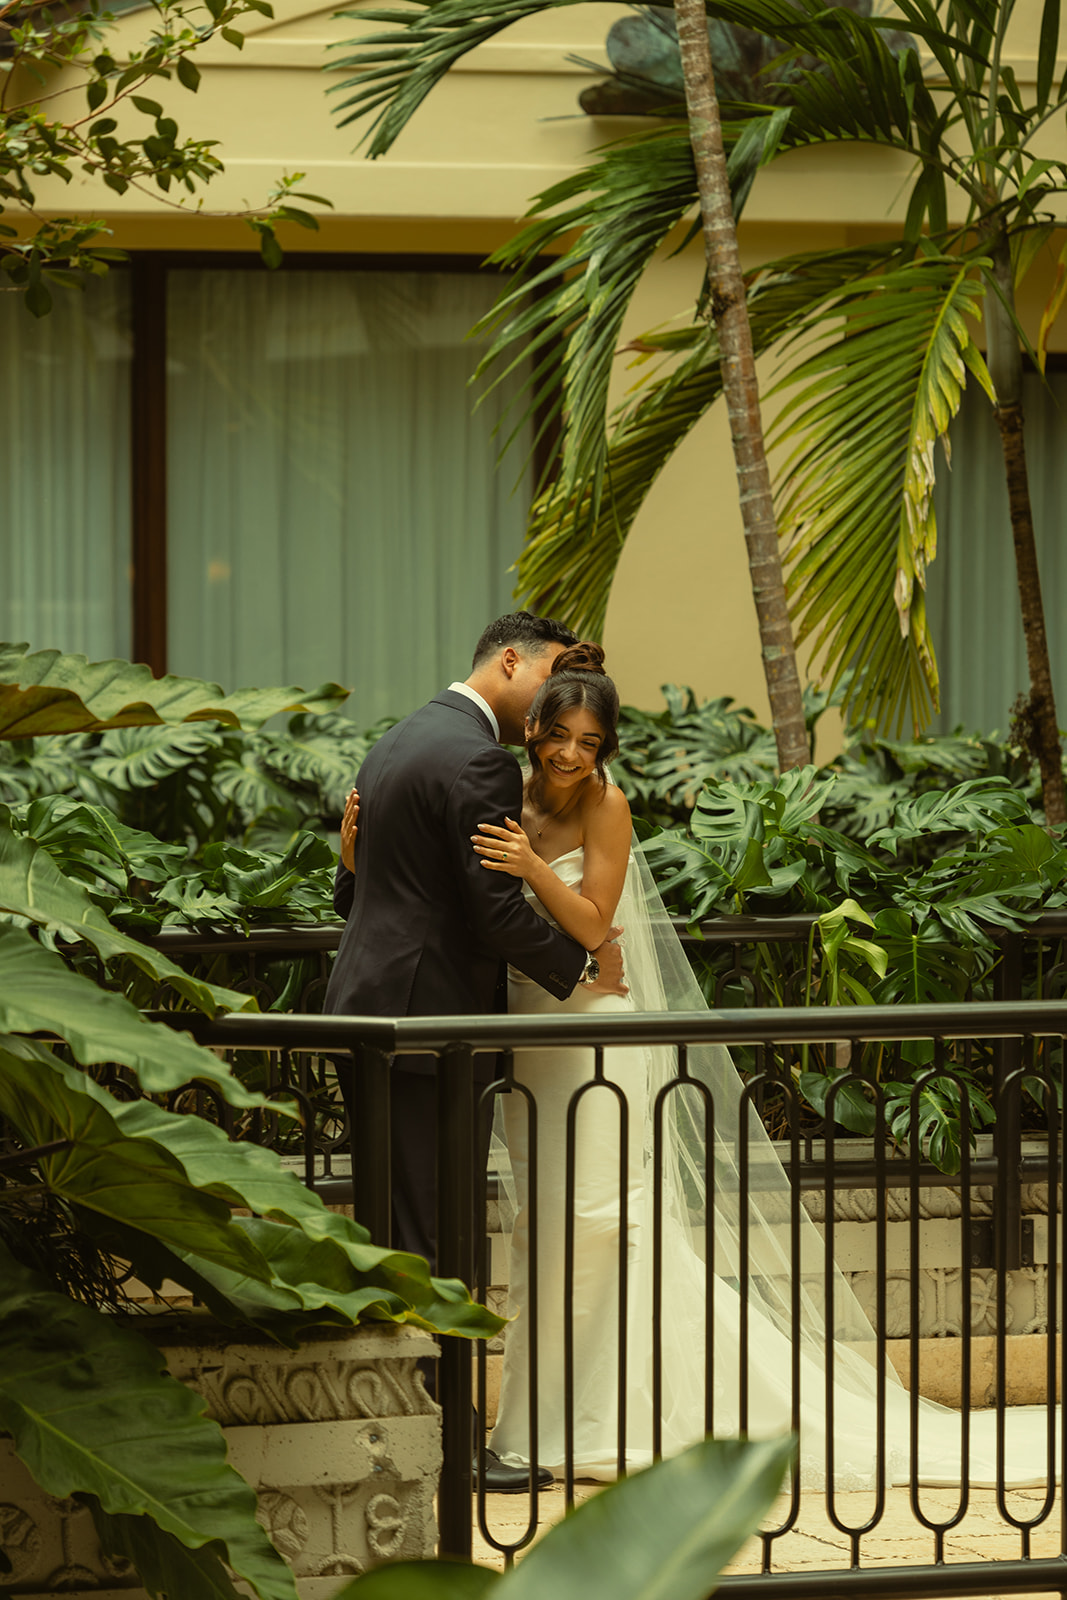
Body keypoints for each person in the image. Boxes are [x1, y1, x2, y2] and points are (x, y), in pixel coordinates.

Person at [471, 645, 1059, 1490]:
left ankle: (604, 1423)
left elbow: (598, 925)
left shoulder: (607, 806)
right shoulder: (505, 794)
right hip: (530, 1032)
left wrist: (530, 867)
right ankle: (541, 1423)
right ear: (531, 728)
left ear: (606, 749)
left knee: (601, 1225)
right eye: (557, 734)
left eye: (589, 741)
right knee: (541, 1232)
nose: (569, 753)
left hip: (594, 1030)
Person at [323, 613, 627, 1494]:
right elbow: (488, 912)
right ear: (509, 662)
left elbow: (360, 888)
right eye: (547, 691)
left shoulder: (399, 738)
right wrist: (581, 968)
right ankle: (447, 1447)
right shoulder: (478, 758)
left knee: (396, 1231)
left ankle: (401, 1425)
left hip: (371, 1014)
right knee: (439, 1237)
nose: (548, 721)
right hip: (430, 1031)